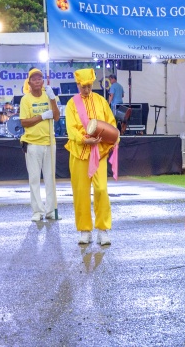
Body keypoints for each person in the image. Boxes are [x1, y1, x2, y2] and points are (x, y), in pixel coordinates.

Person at [65, 68, 117, 246]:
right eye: (82, 86)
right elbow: (70, 128)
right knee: (81, 192)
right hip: (79, 152)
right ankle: (85, 230)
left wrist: (112, 138)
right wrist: (82, 139)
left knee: (101, 189)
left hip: (98, 152)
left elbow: (110, 123)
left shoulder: (101, 101)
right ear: (77, 84)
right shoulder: (72, 103)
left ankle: (103, 229)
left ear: (92, 84)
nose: (86, 90)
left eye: (88, 86)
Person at [19, 68, 60, 222]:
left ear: (43, 81)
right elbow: (24, 122)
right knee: (34, 178)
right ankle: (37, 211)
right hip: (32, 143)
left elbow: (56, 117)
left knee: (51, 178)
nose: (37, 81)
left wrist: (53, 100)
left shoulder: (49, 95)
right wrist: (42, 116)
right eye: (34, 79)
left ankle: (50, 211)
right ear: (29, 82)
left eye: (39, 78)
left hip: (50, 142)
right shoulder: (26, 99)